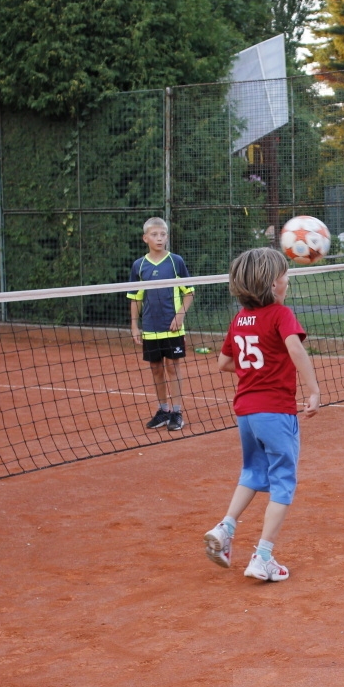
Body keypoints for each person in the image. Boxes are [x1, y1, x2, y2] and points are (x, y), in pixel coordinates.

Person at [204, 248, 321, 582]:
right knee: (283, 481)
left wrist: (253, 370)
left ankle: (225, 527)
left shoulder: (240, 319)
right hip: (275, 411)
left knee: (253, 472)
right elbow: (295, 348)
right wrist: (313, 389)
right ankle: (263, 556)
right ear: (274, 283)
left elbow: (224, 363)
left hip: (245, 411)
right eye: (285, 273)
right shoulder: (281, 314)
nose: (288, 278)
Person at [128, 217, 194, 431]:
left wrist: (181, 315)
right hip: (150, 329)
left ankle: (176, 411)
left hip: (173, 328)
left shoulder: (176, 261)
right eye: (154, 235)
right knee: (156, 369)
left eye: (163, 234)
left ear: (167, 236)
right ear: (145, 238)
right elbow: (136, 298)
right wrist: (134, 326)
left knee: (173, 368)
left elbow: (189, 293)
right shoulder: (139, 265)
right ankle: (163, 410)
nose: (159, 238)